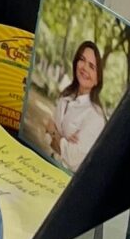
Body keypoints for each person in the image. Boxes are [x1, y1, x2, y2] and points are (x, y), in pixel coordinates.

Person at [44, 40, 110, 169]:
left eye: (92, 66)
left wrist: (53, 132)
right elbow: (46, 134)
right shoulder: (65, 97)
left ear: (97, 79)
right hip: (48, 163)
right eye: (82, 60)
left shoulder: (96, 117)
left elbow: (72, 159)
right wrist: (63, 140)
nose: (85, 67)